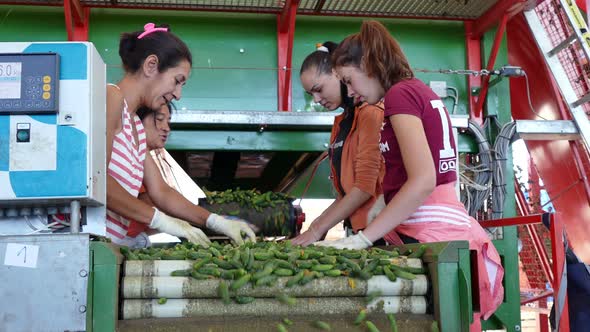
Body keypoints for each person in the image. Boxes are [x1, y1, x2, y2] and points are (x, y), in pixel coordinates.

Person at [314, 21, 504, 328]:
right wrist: (382, 206)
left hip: (430, 233)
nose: (351, 93)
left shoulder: (401, 96)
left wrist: (365, 238)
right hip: (444, 228)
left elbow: (423, 181)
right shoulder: (417, 91)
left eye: (350, 81)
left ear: (370, 64)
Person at [106, 22, 255, 248]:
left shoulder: (135, 126)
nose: (177, 94)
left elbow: (162, 192)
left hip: (108, 249)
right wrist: (161, 220)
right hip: (80, 248)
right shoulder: (111, 97)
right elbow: (94, 181)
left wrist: (216, 222)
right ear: (151, 65)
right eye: (177, 81)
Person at [292, 42, 385, 246]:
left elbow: (364, 188)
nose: (316, 100)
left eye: (318, 89)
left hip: (379, 232)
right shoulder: (342, 122)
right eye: (310, 94)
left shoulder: (371, 113)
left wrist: (317, 230)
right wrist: (314, 228)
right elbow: (346, 193)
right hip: (358, 232)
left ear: (338, 74)